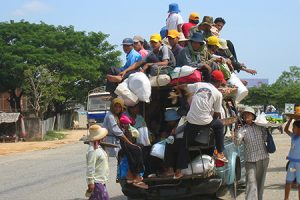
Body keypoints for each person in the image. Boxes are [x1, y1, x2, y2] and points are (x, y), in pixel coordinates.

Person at [175, 70, 229, 178]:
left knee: (184, 145)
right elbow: (217, 114)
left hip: (191, 121)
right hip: (205, 121)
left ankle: (178, 171)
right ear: (218, 82)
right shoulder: (218, 94)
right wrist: (209, 122)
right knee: (219, 125)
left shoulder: (198, 85)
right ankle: (220, 153)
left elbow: (184, 86)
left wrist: (178, 88)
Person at [103, 98, 148, 189]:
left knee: (141, 147)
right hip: (113, 142)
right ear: (112, 106)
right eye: (116, 106)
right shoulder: (110, 116)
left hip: (120, 141)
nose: (117, 108)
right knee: (135, 149)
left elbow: (125, 128)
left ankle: (133, 174)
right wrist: (129, 143)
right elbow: (118, 133)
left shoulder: (118, 116)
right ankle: (136, 176)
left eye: (119, 107)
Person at [237, 107, 269, 200]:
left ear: (253, 116)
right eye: (244, 115)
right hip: (250, 160)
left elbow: (266, 138)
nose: (246, 116)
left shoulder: (260, 126)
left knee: (260, 183)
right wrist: (236, 135)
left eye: (248, 114)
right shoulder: (242, 129)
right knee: (251, 183)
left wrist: (267, 128)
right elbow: (237, 143)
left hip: (263, 158)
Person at [85, 124, 110, 200]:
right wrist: (90, 183)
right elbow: (90, 167)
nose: (105, 137)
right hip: (96, 182)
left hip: (101, 182)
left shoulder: (98, 147)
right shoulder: (92, 150)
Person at [162, 109, 186, 179]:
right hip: (181, 142)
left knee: (169, 144)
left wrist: (170, 135)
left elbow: (174, 134)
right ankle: (170, 169)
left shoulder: (180, 125)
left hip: (182, 142)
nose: (168, 123)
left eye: (169, 121)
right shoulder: (180, 123)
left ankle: (170, 169)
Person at [284, 118, 300, 200]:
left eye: (294, 127)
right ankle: (286, 198)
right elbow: (286, 129)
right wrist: (290, 119)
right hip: (292, 164)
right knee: (288, 181)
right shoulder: (293, 136)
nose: (292, 129)